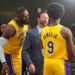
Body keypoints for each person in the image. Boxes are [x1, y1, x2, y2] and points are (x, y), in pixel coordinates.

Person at [41, 2, 74, 75]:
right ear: (61, 15)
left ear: (48, 14)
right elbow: (72, 54)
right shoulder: (65, 31)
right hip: (60, 63)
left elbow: (42, 48)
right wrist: (67, 62)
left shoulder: (42, 31)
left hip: (47, 63)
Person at [0, 7, 29, 75]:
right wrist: (4, 63)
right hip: (9, 56)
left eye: (28, 15)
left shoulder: (25, 23)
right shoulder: (11, 28)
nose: (27, 18)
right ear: (18, 17)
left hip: (18, 55)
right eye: (25, 17)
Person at [22, 10, 49, 75]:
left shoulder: (52, 32)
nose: (46, 20)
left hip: (50, 66)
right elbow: (24, 50)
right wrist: (29, 63)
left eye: (47, 18)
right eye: (43, 17)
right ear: (38, 19)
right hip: (36, 67)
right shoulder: (31, 33)